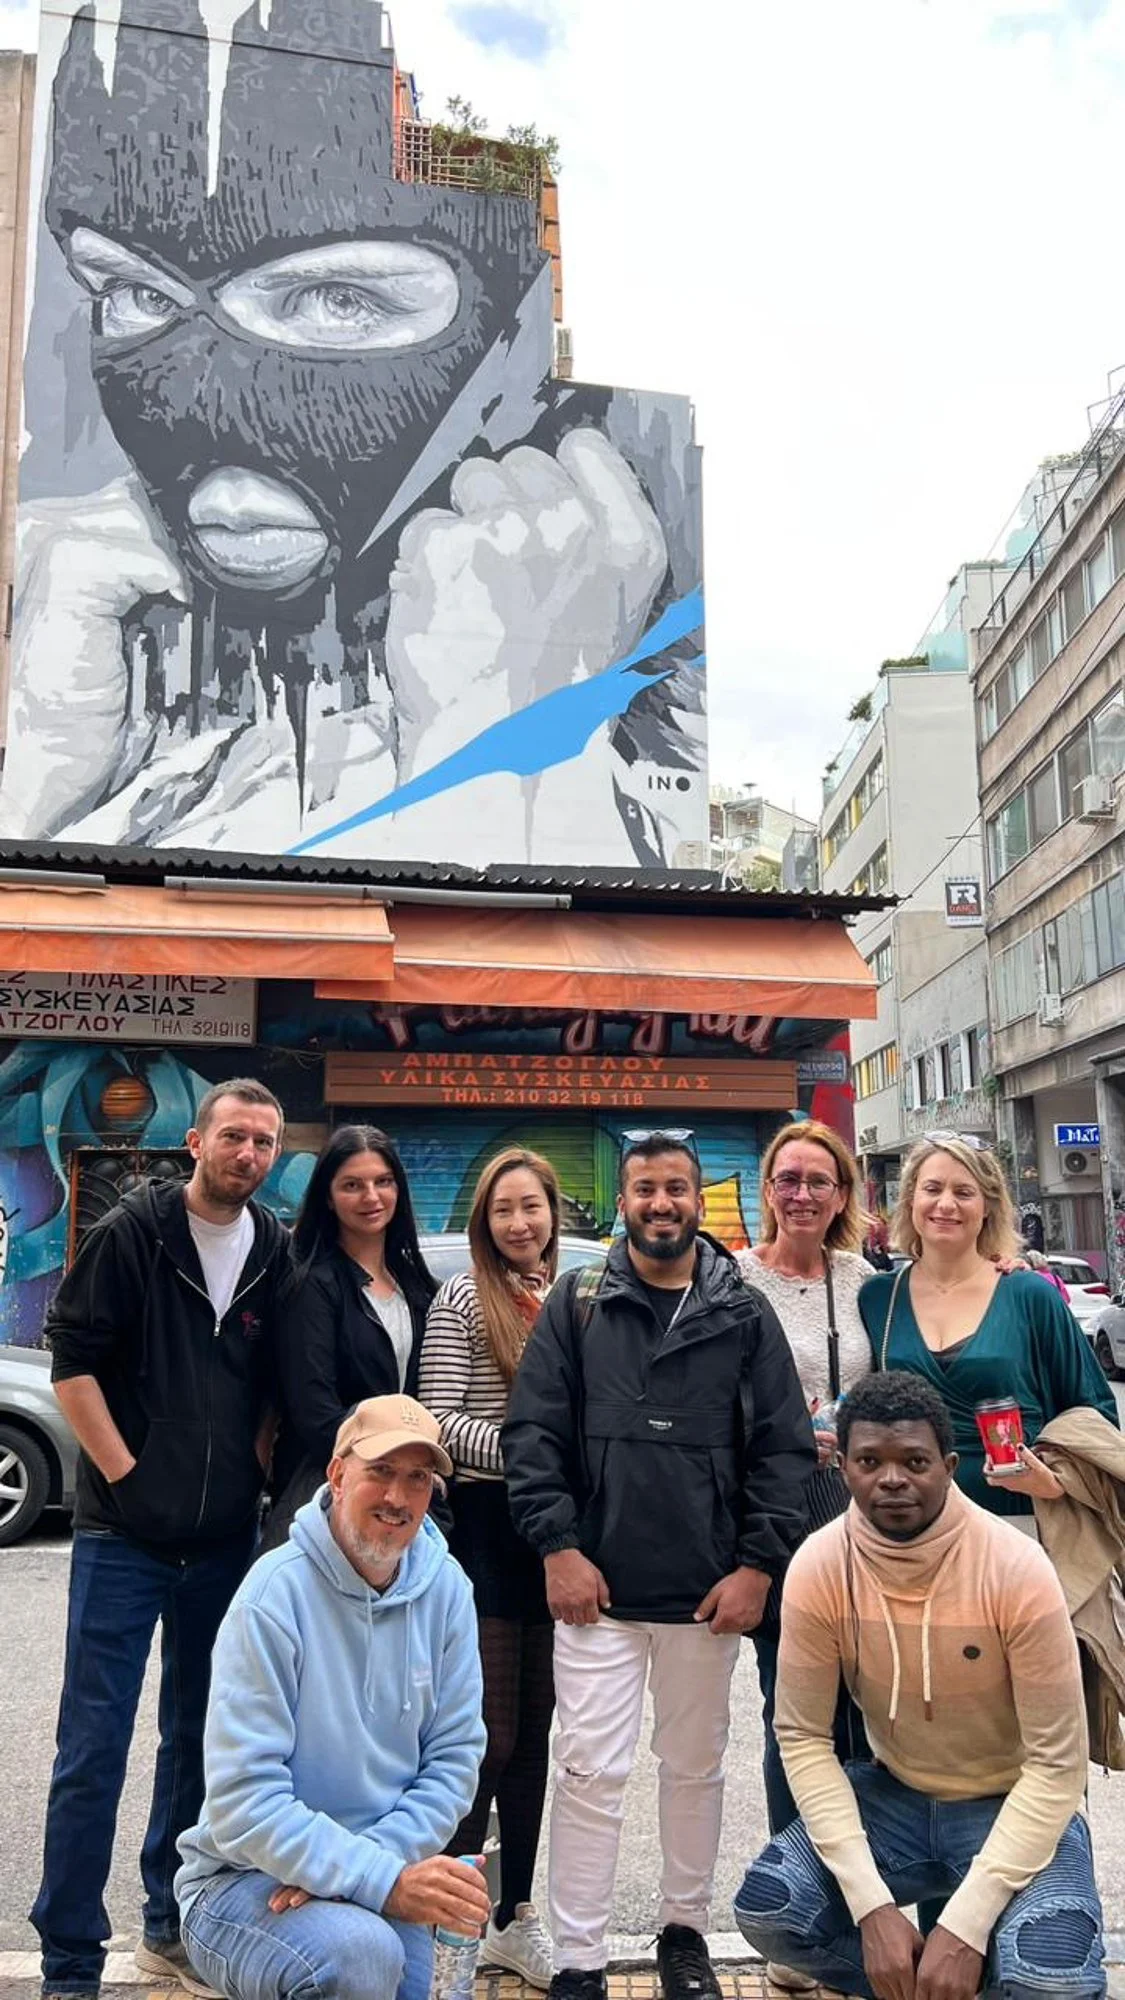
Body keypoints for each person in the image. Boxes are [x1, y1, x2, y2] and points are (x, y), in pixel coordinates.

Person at [503, 1129, 816, 2000]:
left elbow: (783, 1451)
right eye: (644, 1190)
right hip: (593, 1593)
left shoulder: (741, 1310)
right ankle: (577, 1958)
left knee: (694, 1768)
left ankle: (685, 1934)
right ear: (624, 1203)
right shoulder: (579, 1301)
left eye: (675, 1188)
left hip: (705, 1597)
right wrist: (558, 1547)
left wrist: (756, 1565)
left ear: (698, 1200)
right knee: (588, 1772)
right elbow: (532, 1436)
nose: (661, 1204)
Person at [32, 1079, 291, 2000]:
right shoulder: (131, 1235)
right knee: (92, 1746)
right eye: (234, 1137)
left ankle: (166, 1922)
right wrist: (128, 1476)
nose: (248, 1155)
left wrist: (257, 1461)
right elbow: (73, 1363)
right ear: (195, 1141)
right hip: (123, 1539)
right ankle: (69, 1958)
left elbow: (273, 1378)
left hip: (222, 1541)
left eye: (263, 1142)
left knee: (197, 1740)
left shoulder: (275, 1248)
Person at [734, 1371, 1106, 2000]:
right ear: (844, 1467)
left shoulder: (1016, 1569)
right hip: (893, 1799)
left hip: (1008, 1802)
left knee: (1052, 1977)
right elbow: (800, 1737)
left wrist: (963, 1928)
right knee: (771, 1910)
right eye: (869, 1461)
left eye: (914, 1461)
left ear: (950, 1465)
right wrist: (872, 1908)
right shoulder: (821, 1566)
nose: (892, 1479)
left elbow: (1057, 1766)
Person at [175, 1395, 490, 2000]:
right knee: (359, 1957)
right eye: (380, 1472)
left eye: (418, 1479)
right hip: (241, 1880)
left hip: (378, 1868)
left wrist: (365, 1874)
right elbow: (245, 1801)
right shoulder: (273, 1595)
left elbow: (453, 1763)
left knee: (434, 1986)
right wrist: (375, 1881)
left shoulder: (448, 1589)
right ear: (338, 1474)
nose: (398, 1498)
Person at [418, 1147, 561, 1988]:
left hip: (554, 1536)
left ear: (553, 1213)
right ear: (485, 1217)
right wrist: (531, 1455)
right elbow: (437, 1420)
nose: (519, 1222)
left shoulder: (568, 1298)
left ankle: (517, 1917)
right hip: (483, 1531)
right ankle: (455, 1924)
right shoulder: (463, 1296)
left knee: (538, 1740)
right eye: (503, 1208)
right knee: (486, 1739)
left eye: (532, 1207)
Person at [736, 1120, 874, 1991]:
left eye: (818, 1181)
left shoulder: (867, 1284)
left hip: (862, 1530)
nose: (801, 1195)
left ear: (841, 1192)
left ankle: (868, 1901)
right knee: (793, 1722)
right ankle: (796, 1915)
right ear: (767, 1187)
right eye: (787, 1179)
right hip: (774, 1526)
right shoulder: (733, 1278)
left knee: (869, 1720)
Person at [859, 1132, 1117, 1522]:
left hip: (1020, 1522)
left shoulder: (1028, 1294)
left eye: (964, 1192)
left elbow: (1097, 1416)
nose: (946, 1204)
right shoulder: (878, 1298)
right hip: (909, 1526)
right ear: (910, 1200)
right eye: (933, 1188)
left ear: (988, 1208)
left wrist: (1054, 1481)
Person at [268, 1126, 437, 1536]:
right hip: (332, 1492)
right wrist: (390, 1466)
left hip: (407, 1493)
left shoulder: (414, 1283)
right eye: (352, 1185)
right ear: (328, 1196)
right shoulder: (311, 1284)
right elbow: (316, 1413)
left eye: (383, 1181)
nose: (371, 1197)